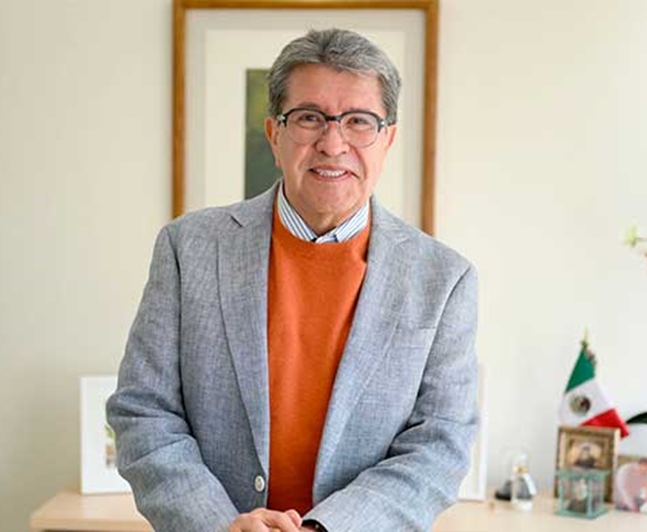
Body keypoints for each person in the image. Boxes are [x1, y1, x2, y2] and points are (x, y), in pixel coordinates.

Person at [106, 28, 479, 532]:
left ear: (388, 138)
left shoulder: (445, 279)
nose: (333, 143)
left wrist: (325, 528)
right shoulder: (187, 248)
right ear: (274, 134)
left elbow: (439, 445)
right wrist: (220, 524)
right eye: (309, 117)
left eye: (358, 121)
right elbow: (144, 412)